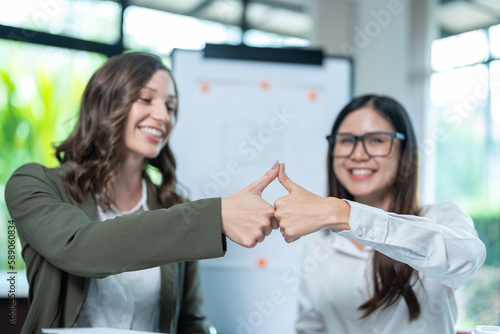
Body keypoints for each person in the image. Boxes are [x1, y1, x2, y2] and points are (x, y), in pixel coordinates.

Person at [5, 52, 279, 334]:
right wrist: (215, 216)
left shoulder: (174, 206)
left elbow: (188, 321)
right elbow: (80, 249)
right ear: (106, 102)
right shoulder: (34, 183)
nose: (163, 116)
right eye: (146, 99)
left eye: (170, 107)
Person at [273, 95, 486, 333]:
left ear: (404, 151)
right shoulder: (320, 240)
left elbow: (467, 259)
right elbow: (310, 327)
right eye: (346, 140)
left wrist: (345, 214)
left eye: (375, 140)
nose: (358, 154)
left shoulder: (440, 216)